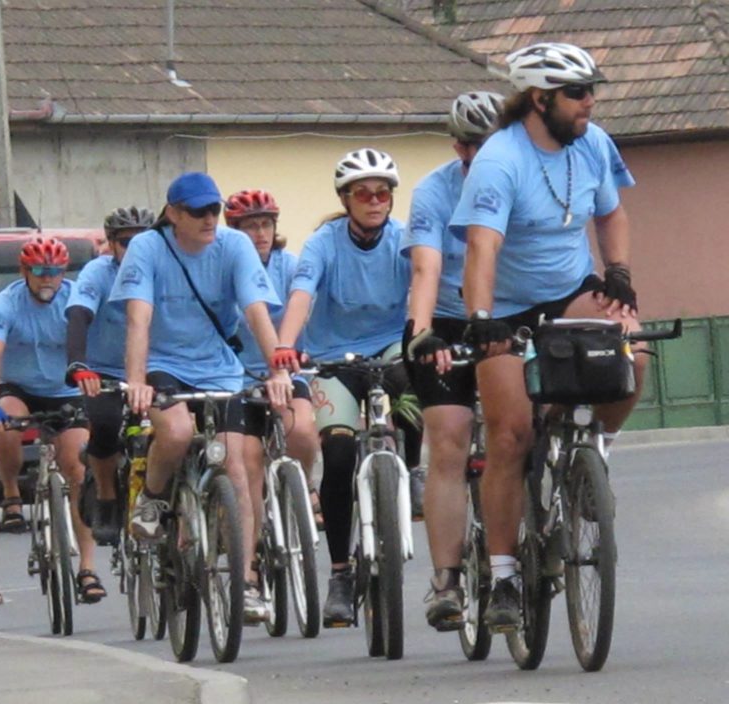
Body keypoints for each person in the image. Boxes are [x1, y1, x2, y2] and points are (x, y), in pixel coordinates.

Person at [451, 42, 640, 631]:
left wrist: (620, 273)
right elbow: (482, 246)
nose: (590, 103)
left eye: (592, 92)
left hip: (571, 287)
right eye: (579, 93)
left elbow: (610, 213)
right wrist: (483, 320)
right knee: (509, 436)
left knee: (636, 357)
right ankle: (504, 576)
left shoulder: (594, 144)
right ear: (540, 100)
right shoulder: (499, 160)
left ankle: (591, 453)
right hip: (506, 305)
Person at [111, 171, 292, 623]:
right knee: (175, 431)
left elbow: (256, 313)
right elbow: (139, 320)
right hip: (164, 365)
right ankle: (152, 498)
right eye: (198, 212)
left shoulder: (234, 246)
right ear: (173, 214)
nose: (210, 218)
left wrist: (276, 372)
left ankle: (247, 581)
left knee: (237, 464)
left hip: (220, 368)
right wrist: (136, 381)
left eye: (215, 209)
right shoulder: (148, 248)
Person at [274, 148, 418, 628]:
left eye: (383, 193)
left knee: (414, 389)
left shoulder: (403, 240)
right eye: (364, 193)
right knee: (336, 454)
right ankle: (340, 573)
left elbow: (426, 285)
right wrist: (285, 347)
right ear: (345, 198)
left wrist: (425, 337)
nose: (375, 201)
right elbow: (301, 293)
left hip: (394, 348)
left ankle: (413, 472)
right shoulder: (324, 243)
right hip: (334, 357)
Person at [402, 91, 504, 631]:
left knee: (527, 426)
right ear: (458, 148)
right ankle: (447, 579)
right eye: (469, 146)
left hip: (511, 313)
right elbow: (427, 268)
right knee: (448, 437)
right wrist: (420, 332)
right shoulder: (434, 191)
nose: (478, 155)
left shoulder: (525, 177)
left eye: (488, 145)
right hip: (444, 319)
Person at [0, 235, 107, 604]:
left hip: (66, 390)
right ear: (24, 272)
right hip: (20, 386)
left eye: (55, 271)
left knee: (78, 468)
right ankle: (13, 494)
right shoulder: (5, 302)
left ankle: (87, 567)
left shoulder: (75, 297)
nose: (47, 278)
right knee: (4, 423)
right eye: (39, 271)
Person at [223, 189, 320, 553]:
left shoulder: (290, 265)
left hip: (287, 370)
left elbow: (309, 304)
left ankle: (305, 483)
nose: (260, 234)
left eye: (265, 225)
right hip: (240, 378)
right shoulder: (225, 269)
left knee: (303, 430)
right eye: (250, 227)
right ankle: (252, 548)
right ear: (235, 232)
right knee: (248, 463)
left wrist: (307, 352)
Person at [66, 206, 156, 547]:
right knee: (104, 424)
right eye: (124, 242)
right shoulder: (97, 272)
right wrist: (78, 363)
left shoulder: (163, 269)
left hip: (153, 367)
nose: (133, 250)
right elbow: (78, 314)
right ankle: (105, 497)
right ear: (111, 244)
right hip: (104, 370)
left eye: (141, 241)